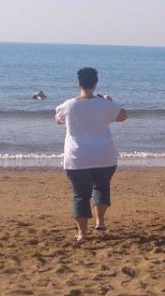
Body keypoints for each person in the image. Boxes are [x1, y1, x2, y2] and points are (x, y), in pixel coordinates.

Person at [54, 67, 128, 244]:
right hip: (104, 155)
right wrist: (110, 102)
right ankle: (100, 222)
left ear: (78, 83)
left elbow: (57, 119)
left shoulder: (69, 104)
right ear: (96, 84)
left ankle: (82, 233)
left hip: (78, 158)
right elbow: (123, 116)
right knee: (102, 187)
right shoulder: (104, 103)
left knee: (81, 195)